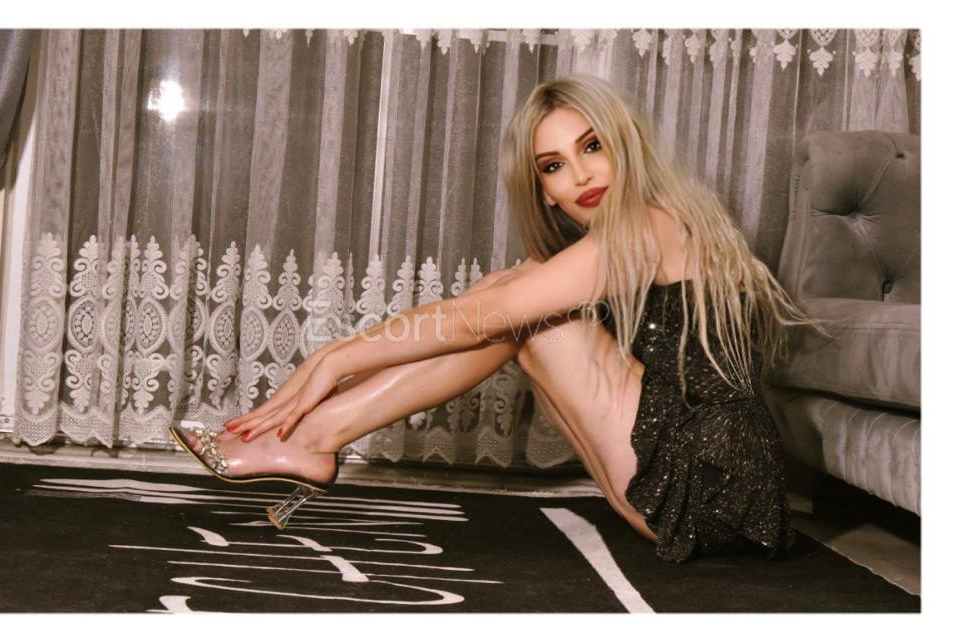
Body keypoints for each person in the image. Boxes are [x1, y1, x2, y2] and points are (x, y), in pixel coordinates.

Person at [171, 74, 817, 563]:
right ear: (545, 192)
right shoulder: (608, 243)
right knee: (511, 289)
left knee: (520, 312)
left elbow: (483, 319)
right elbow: (487, 307)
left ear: (626, 147)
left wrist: (332, 358)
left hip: (713, 484)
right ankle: (310, 439)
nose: (581, 175)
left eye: (593, 147)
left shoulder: (651, 224)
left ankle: (311, 439)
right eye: (554, 166)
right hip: (670, 482)